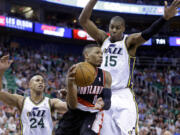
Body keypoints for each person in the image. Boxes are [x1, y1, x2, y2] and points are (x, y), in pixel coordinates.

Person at [78, 0, 180, 135]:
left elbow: (147, 33)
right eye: (111, 27)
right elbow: (83, 20)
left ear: (123, 28)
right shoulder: (102, 39)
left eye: (117, 28)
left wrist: (164, 18)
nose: (113, 30)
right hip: (104, 94)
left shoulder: (129, 42)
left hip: (123, 95)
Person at [0, 55, 68, 135]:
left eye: (42, 81)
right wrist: (1, 71)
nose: (40, 82)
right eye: (37, 80)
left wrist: (68, 97)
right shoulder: (21, 101)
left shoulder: (52, 102)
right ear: (30, 85)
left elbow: (72, 107)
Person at [55, 44, 112, 135]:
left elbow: (108, 102)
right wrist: (70, 87)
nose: (101, 56)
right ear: (86, 55)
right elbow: (72, 105)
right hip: (75, 112)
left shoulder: (106, 75)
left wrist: (102, 104)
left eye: (102, 53)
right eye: (97, 53)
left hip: (93, 114)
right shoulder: (74, 71)